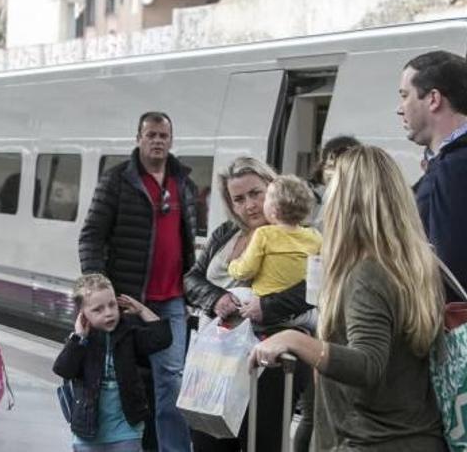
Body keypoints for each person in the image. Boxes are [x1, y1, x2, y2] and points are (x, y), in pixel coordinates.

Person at [250, 146, 447, 451]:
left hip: (371, 441)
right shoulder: (417, 266)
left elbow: (367, 365)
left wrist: (294, 340)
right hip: (420, 436)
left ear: (346, 201)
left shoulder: (367, 274)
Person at [79, 111, 198, 452]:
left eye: (163, 135)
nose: (158, 141)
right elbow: (90, 236)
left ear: (171, 140)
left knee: (171, 380)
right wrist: (99, 290)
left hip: (172, 300)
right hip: (127, 300)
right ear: (138, 138)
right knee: (121, 382)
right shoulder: (117, 180)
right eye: (151, 135)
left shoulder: (183, 184)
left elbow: (187, 239)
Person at [183, 157, 312, 452]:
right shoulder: (226, 233)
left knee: (260, 440)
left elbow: (314, 290)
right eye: (239, 199)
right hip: (215, 356)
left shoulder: (299, 234)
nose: (249, 205)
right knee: (207, 439)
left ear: (273, 186)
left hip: (271, 356)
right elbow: (191, 280)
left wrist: (265, 307)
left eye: (256, 193)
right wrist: (216, 298)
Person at [54, 274, 172, 452]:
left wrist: (141, 310)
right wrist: (78, 338)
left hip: (126, 430)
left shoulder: (128, 334)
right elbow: (63, 369)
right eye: (98, 310)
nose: (108, 313)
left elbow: (162, 338)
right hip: (87, 432)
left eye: (112, 305)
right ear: (82, 314)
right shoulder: (81, 342)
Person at [398, 50, 467, 298]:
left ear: (433, 99)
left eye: (405, 96)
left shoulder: (452, 170)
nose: (400, 109)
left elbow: (447, 267)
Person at [227, 175, 321, 330]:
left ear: (273, 209)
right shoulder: (315, 236)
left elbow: (246, 270)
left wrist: (233, 265)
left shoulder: (265, 234)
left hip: (263, 308)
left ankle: (199, 344)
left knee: (227, 296)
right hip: (300, 314)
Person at [306, 136, 361, 228]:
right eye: (331, 167)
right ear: (322, 167)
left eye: (343, 169)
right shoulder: (305, 195)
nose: (335, 174)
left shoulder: (362, 201)